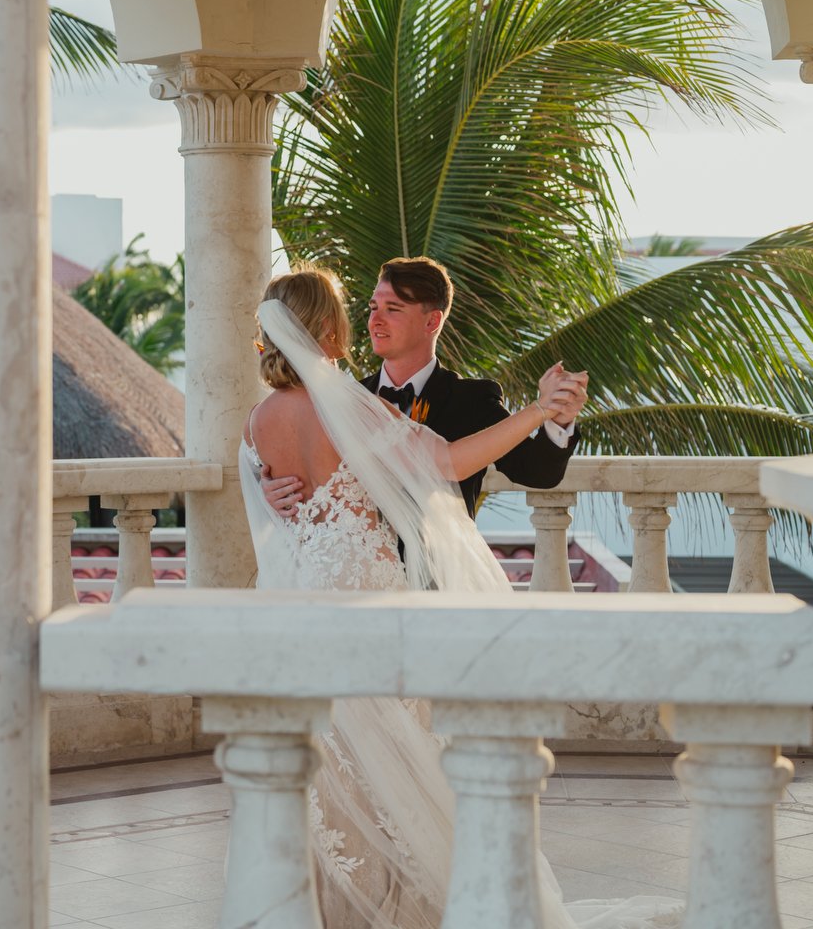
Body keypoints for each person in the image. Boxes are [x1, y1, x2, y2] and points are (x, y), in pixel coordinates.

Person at [240, 267, 680, 929]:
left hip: (309, 612)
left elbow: (275, 510)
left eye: (389, 307)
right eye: (357, 311)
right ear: (326, 330)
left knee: (332, 768)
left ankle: (325, 906)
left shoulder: (256, 421)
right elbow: (447, 462)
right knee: (409, 770)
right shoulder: (352, 406)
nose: (369, 321)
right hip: (378, 608)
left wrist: (280, 497)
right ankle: (410, 904)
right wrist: (538, 410)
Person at [261, 256, 585, 518]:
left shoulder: (472, 399)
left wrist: (559, 419)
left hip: (439, 582)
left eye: (393, 309)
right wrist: (273, 492)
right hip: (360, 578)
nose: (375, 320)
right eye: (374, 308)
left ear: (432, 322)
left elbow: (538, 473)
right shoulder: (347, 399)